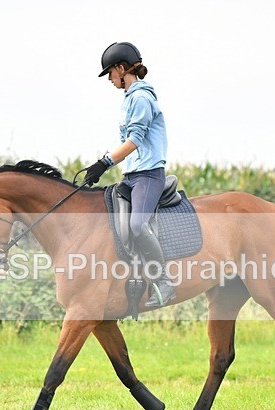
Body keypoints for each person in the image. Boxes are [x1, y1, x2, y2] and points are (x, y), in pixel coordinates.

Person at [84, 41, 176, 307]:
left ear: (122, 69)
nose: (110, 79)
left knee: (137, 225)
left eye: (110, 73)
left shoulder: (142, 98)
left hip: (148, 176)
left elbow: (134, 140)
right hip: (132, 176)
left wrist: (104, 162)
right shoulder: (129, 100)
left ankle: (163, 283)